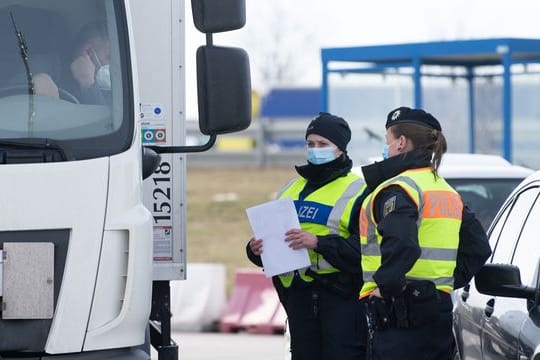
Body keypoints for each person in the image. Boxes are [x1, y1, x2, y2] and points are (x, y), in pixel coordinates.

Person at [358, 106, 491, 360]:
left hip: (399, 317)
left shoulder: (399, 188)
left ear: (401, 142)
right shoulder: (446, 190)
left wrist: (385, 287)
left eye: (387, 140)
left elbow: (403, 244)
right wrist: (442, 283)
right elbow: (479, 248)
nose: (385, 148)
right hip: (437, 314)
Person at [246, 112, 368, 360]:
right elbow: (275, 243)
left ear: (340, 150)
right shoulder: (290, 189)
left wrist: (318, 243)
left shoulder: (359, 190)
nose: (314, 150)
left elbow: (365, 252)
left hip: (341, 300)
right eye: (310, 144)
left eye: (323, 144)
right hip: (299, 300)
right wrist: (255, 249)